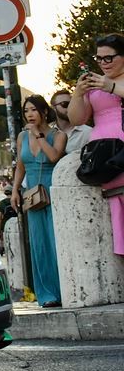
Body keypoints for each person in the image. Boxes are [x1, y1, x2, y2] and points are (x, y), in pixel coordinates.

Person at [70, 32, 124, 257]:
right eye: (99, 58)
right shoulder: (95, 85)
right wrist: (78, 93)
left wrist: (110, 86)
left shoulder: (108, 83)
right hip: (103, 159)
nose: (103, 63)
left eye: (108, 58)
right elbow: (77, 119)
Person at [11, 94, 65, 307]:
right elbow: (20, 166)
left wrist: (38, 135)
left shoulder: (58, 135)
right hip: (32, 196)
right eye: (26, 111)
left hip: (53, 193)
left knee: (55, 242)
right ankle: (47, 294)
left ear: (44, 111)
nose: (29, 114)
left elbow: (53, 157)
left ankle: (64, 290)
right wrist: (15, 190)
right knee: (39, 244)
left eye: (33, 110)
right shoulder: (21, 137)